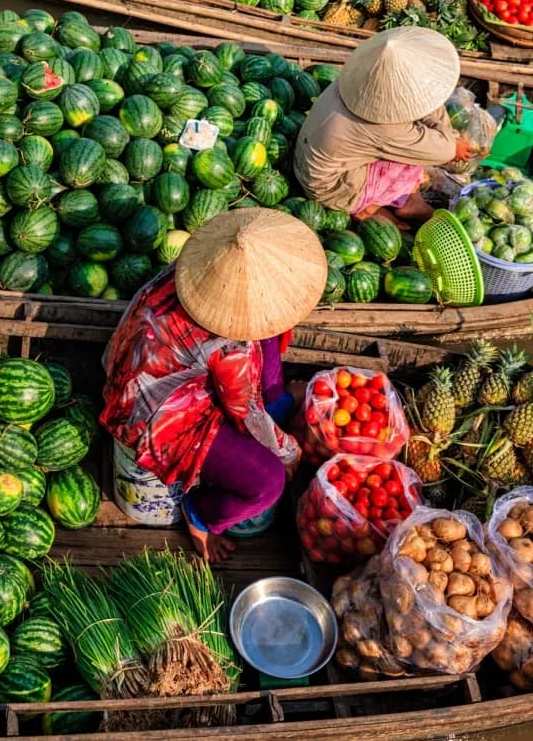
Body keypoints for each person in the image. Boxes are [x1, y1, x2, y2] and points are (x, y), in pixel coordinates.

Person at [100, 208, 328, 562]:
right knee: (268, 483)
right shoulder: (231, 347)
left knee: (270, 339)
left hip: (164, 373)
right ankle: (201, 515)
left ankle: (277, 399)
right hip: (157, 416)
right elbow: (247, 413)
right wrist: (288, 450)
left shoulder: (195, 273)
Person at [294, 29, 474, 225]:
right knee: (414, 151)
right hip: (331, 189)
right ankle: (368, 209)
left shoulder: (358, 80)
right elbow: (443, 150)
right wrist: (455, 146)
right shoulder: (383, 128)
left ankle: (402, 200)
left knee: (412, 141)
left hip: (309, 159)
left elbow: (418, 102)